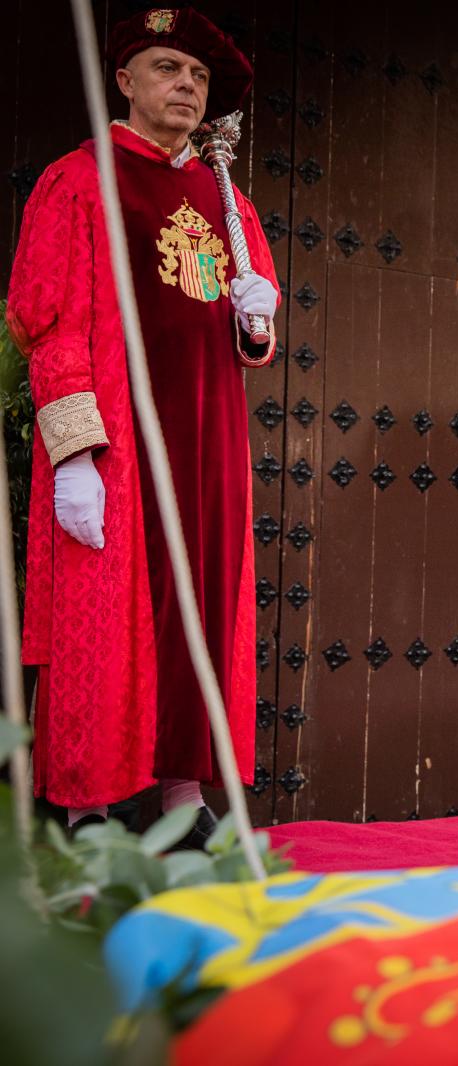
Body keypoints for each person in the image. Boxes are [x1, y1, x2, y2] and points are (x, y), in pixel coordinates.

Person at [6, 9, 277, 841]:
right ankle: (85, 805)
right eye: (167, 69)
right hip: (116, 442)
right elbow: (45, 320)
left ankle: (183, 799)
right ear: (125, 80)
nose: (185, 87)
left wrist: (256, 320)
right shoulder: (79, 181)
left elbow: (249, 328)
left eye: (197, 76)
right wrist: (75, 450)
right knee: (103, 613)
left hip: (208, 437)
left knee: (200, 602)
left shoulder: (227, 198)